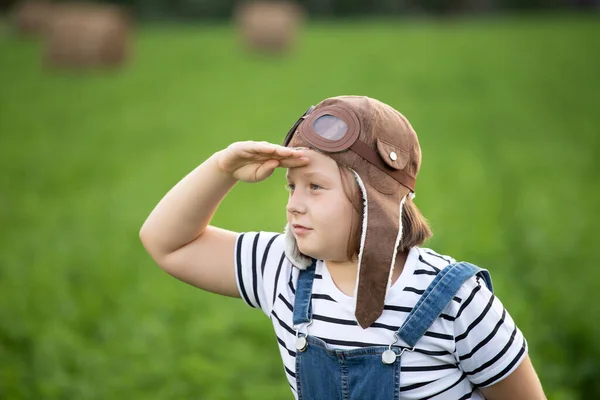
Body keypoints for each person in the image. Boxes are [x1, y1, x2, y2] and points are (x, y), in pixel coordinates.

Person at [140, 96, 546, 399]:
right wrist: (221, 168)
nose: (294, 203)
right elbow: (167, 244)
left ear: (375, 199)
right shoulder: (281, 271)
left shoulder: (458, 301)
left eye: (316, 187)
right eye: (292, 186)